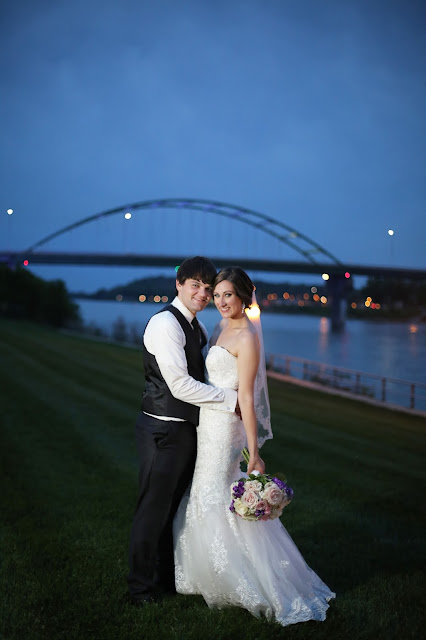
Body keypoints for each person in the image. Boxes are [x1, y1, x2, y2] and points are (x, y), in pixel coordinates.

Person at [173, 266, 335, 627]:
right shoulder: (220, 327)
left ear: (244, 296)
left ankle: (243, 580)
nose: (220, 301)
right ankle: (203, 574)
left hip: (226, 429)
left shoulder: (247, 337)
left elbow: (246, 396)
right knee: (205, 492)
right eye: (216, 295)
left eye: (227, 295)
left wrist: (254, 451)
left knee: (217, 494)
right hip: (208, 423)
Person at [127, 256, 238, 605]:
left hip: (184, 430)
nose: (203, 294)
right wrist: (228, 399)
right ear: (179, 284)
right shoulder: (165, 324)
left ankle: (163, 580)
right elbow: (179, 386)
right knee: (152, 510)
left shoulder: (196, 327)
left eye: (208, 289)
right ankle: (139, 590)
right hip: (162, 430)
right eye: (196, 286)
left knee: (172, 509)